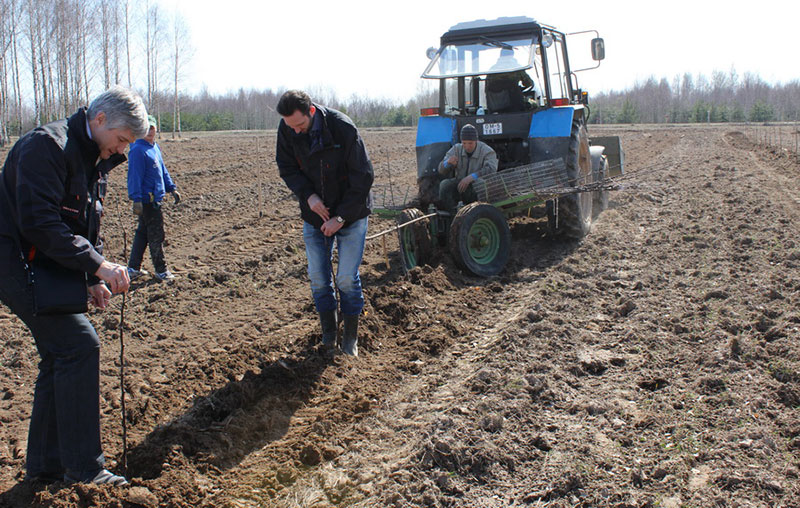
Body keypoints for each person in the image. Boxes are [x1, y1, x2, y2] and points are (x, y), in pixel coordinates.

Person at [0, 86, 149, 486]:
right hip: (11, 261)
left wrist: (89, 278)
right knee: (78, 345)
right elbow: (40, 224)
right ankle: (85, 469)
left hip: (42, 263)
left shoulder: (93, 158)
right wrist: (100, 267)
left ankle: (45, 469)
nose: (122, 151)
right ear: (99, 120)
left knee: (60, 355)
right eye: (121, 140)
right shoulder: (45, 147)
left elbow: (84, 223)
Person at [275, 90, 374, 357]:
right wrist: (309, 196)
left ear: (311, 112)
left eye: (299, 125)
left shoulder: (342, 128)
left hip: (351, 213)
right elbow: (286, 167)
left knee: (345, 278)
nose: (295, 132)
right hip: (315, 215)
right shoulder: (287, 129)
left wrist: (340, 218)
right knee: (319, 279)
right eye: (290, 126)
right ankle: (329, 336)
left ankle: (350, 339)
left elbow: (363, 177)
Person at [126, 114, 180, 282]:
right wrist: (136, 199)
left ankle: (133, 268)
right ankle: (161, 271)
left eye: (152, 128)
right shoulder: (137, 150)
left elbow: (162, 171)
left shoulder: (154, 148)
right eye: (146, 128)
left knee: (142, 233)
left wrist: (171, 188)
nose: (150, 131)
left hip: (155, 198)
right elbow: (134, 177)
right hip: (147, 201)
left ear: (156, 129)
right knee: (156, 235)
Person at [437, 124, 498, 212]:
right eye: (464, 143)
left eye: (470, 143)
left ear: (476, 141)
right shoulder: (456, 149)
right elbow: (440, 169)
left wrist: (472, 177)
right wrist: (448, 163)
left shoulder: (487, 151)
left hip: (476, 187)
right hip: (460, 184)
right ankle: (451, 213)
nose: (467, 146)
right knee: (444, 184)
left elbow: (491, 169)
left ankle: (479, 212)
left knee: (480, 184)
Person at [485, 47, 537, 113]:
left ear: (501, 55)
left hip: (495, 107)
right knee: (534, 105)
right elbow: (529, 83)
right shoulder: (516, 68)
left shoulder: (492, 69)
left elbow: (487, 88)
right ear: (512, 55)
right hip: (514, 105)